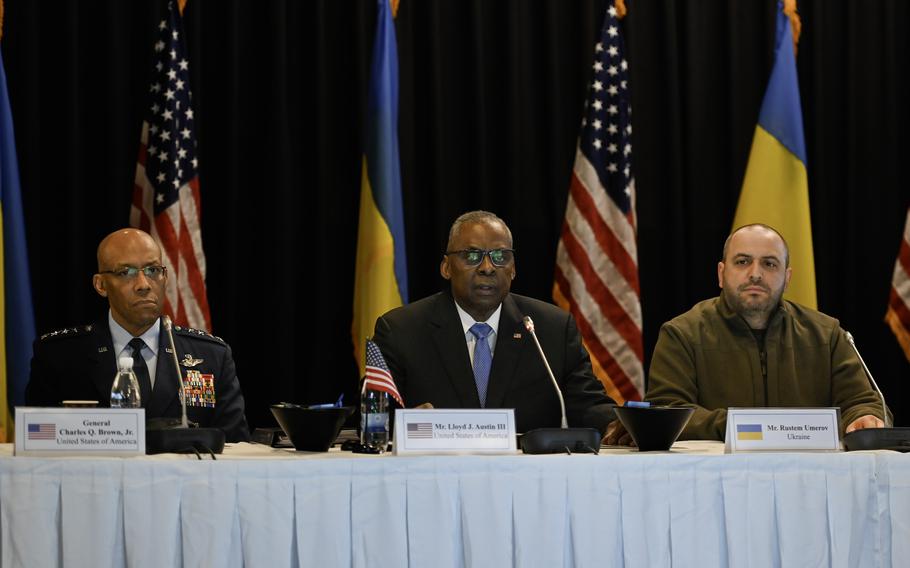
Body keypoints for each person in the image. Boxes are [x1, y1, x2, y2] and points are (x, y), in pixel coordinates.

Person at [610, 223, 885, 442]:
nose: (755, 274)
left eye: (769, 264)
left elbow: (863, 402)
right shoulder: (682, 334)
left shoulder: (827, 334)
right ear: (721, 273)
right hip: (714, 485)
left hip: (807, 482)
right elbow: (667, 413)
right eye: (742, 262)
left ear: (787, 278)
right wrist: (747, 426)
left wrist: (864, 417)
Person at [373, 210, 616, 434]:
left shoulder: (551, 329)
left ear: (512, 270)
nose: (488, 268)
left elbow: (588, 404)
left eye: (500, 256)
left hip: (527, 474)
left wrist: (615, 424)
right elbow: (375, 414)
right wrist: (407, 423)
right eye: (471, 255)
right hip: (435, 473)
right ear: (446, 268)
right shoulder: (401, 331)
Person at [26, 228, 250, 442]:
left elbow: (236, 450)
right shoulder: (59, 355)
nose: (143, 285)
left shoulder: (211, 356)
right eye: (126, 273)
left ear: (165, 277)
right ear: (101, 285)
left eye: (153, 270)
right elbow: (37, 439)